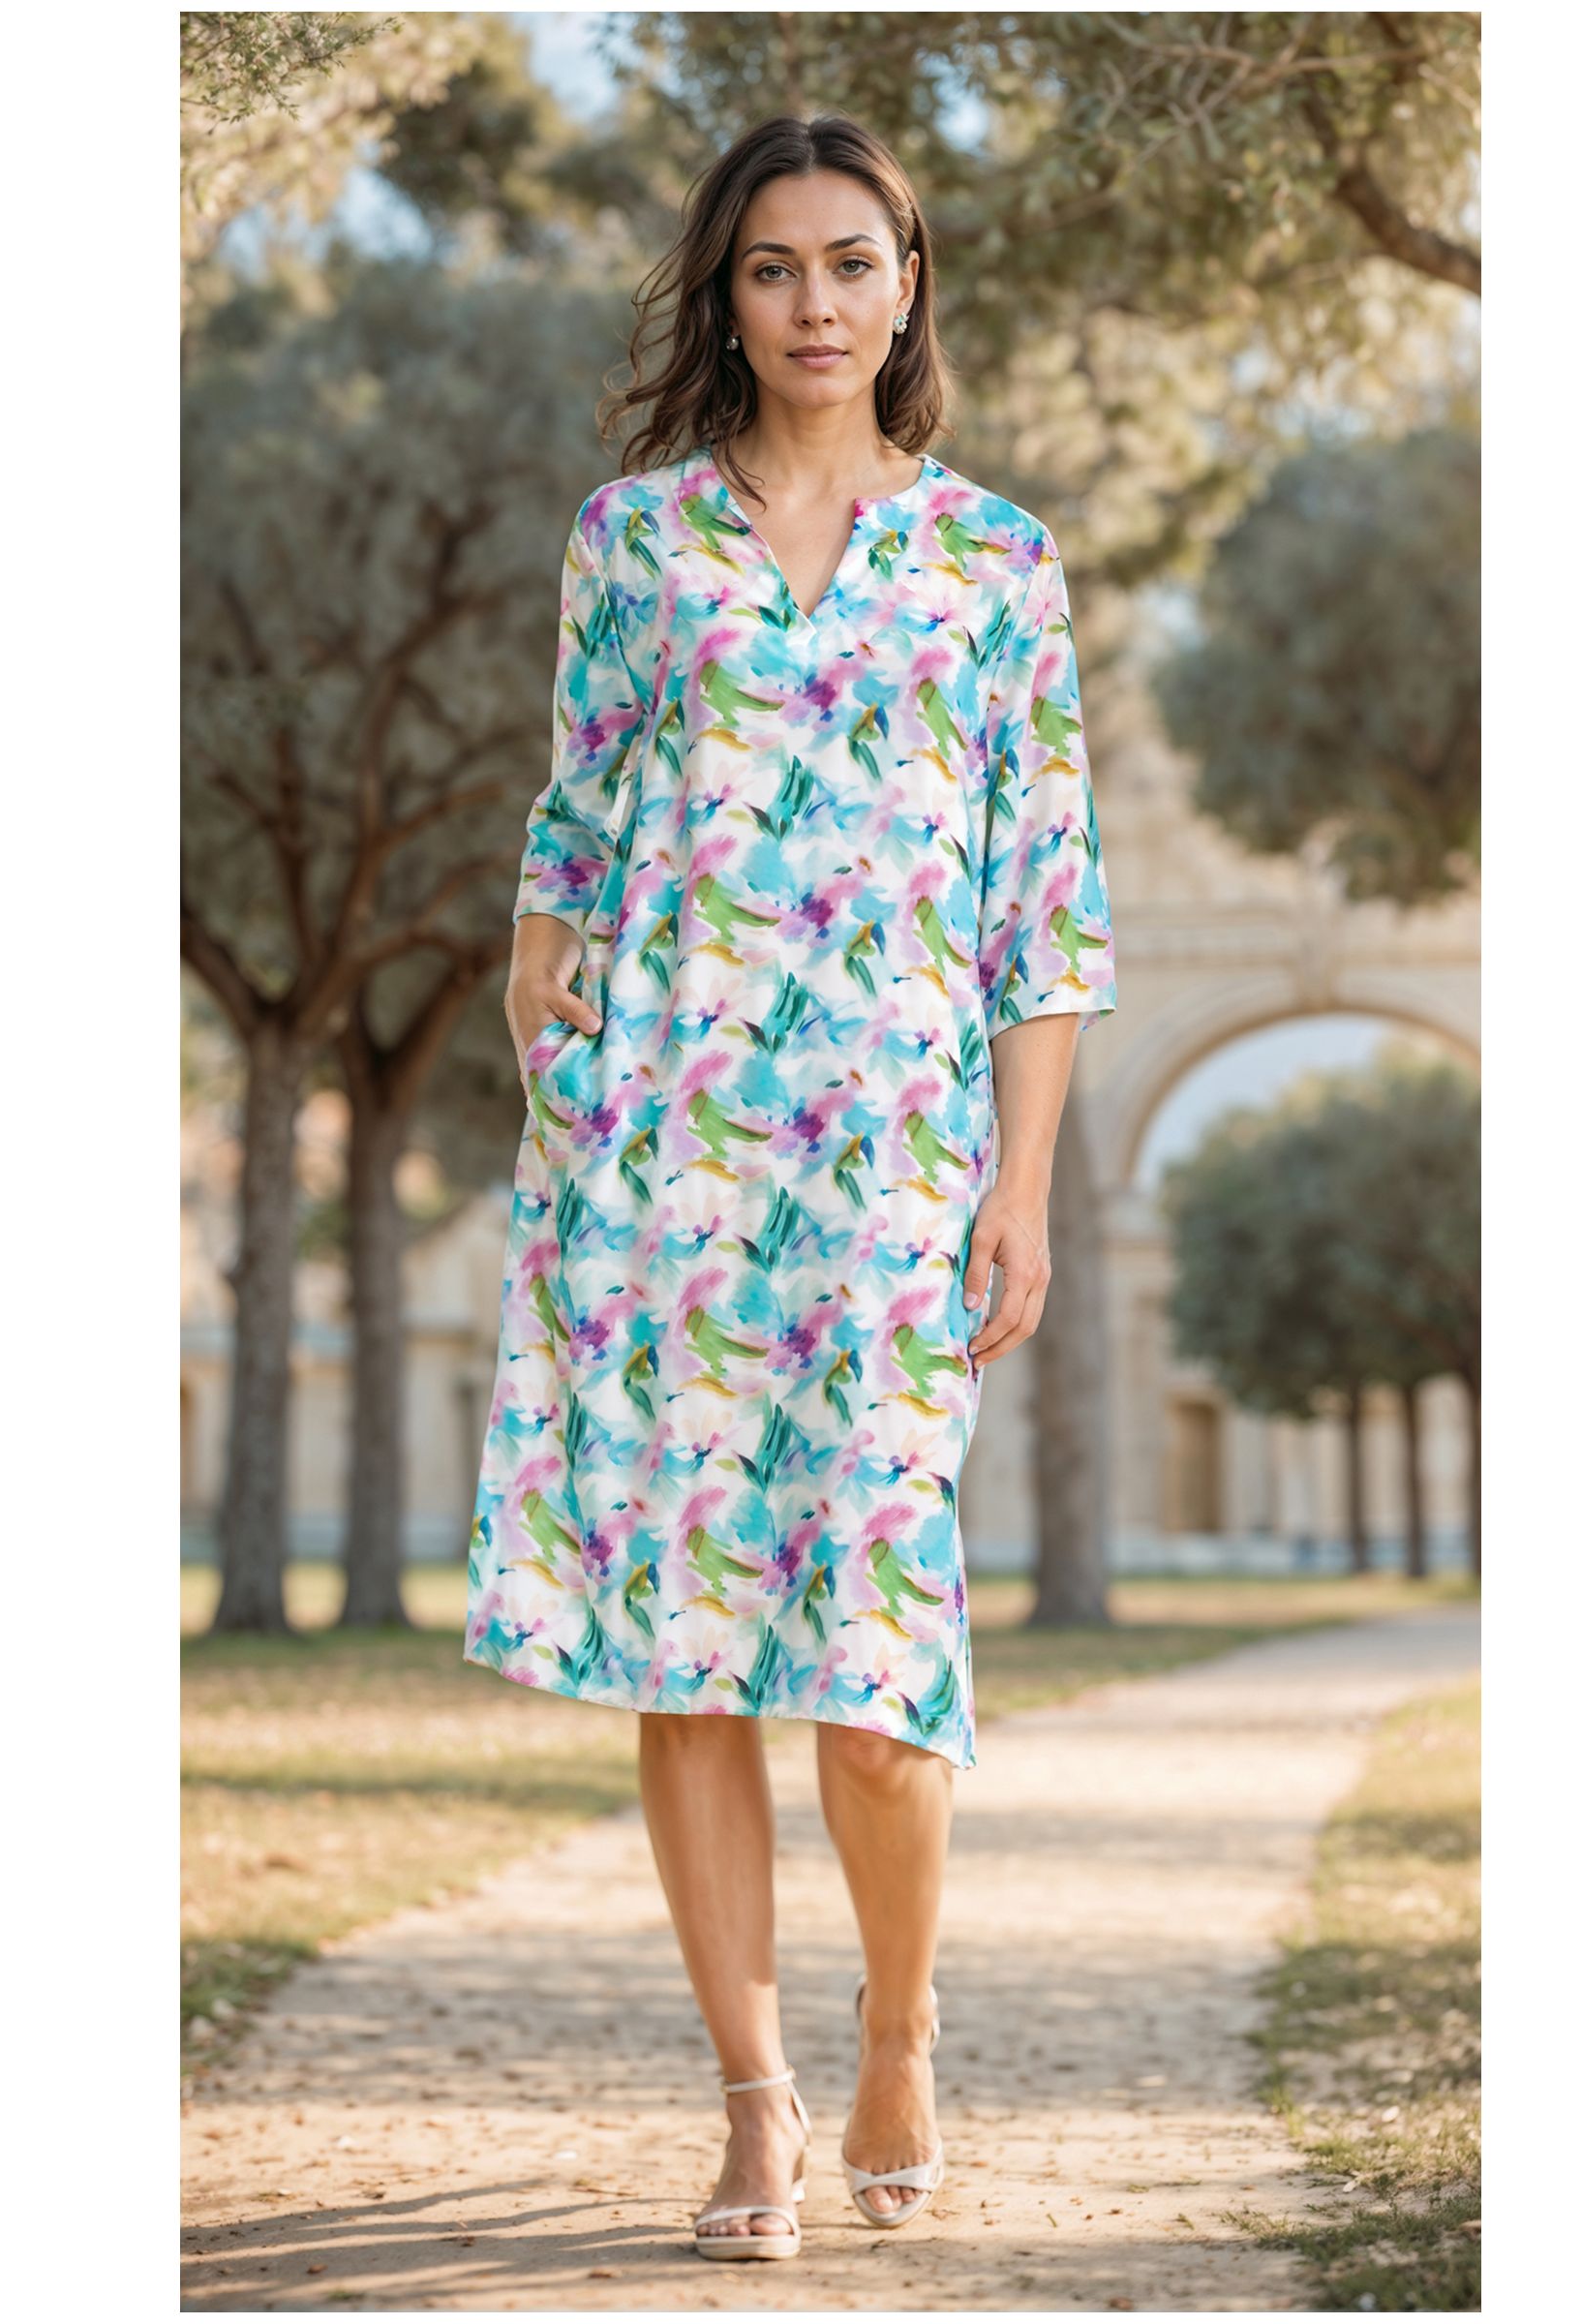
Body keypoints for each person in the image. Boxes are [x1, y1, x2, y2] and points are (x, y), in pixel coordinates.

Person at [463, 109, 1117, 2261]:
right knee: (688, 1650)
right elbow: (574, 821)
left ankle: (897, 2031)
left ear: (908, 283)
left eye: (852, 263)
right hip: (657, 1152)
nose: (816, 303)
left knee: (871, 1665)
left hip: (896, 1172)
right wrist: (543, 985)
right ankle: (751, 2098)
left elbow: (1045, 907)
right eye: (773, 269)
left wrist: (1016, 1183)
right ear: (724, 294)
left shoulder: (996, 564)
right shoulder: (633, 541)